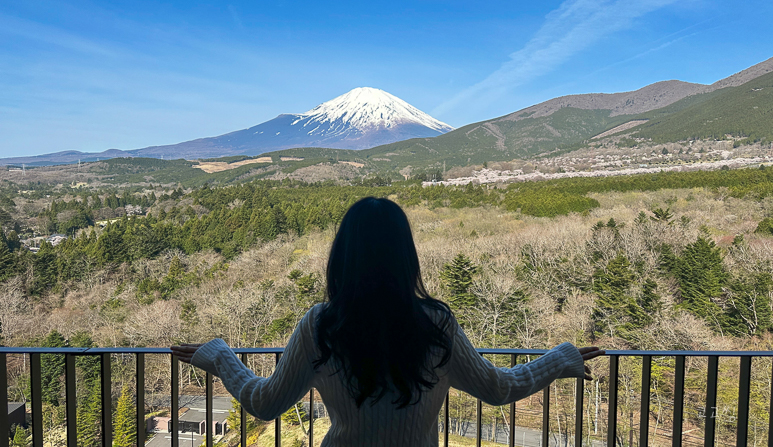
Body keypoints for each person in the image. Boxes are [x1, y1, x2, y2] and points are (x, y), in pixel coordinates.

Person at [172, 197, 604, 446]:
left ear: (343, 255)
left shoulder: (321, 325)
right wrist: (559, 358)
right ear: (405, 257)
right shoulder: (435, 324)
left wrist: (220, 357)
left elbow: (264, 402)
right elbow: (498, 388)